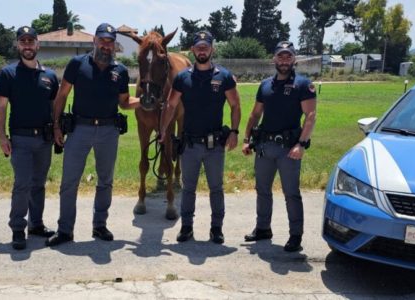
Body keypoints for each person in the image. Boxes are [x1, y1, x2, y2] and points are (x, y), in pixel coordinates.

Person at [46, 23, 140, 247]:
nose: (106, 45)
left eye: (110, 41)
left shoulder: (120, 70)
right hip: (79, 129)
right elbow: (62, 96)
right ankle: (65, 230)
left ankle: (99, 225)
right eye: (103, 40)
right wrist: (56, 125)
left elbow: (125, 103)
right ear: (94, 41)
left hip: (108, 130)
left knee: (105, 181)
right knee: (69, 182)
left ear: (114, 45)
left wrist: (145, 103)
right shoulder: (77, 64)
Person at [159, 31, 241, 244]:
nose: (202, 49)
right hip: (190, 144)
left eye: (206, 46)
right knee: (188, 188)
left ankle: (216, 228)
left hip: (215, 145)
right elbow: (170, 105)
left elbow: (235, 106)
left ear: (212, 49)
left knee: (216, 188)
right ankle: (186, 228)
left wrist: (234, 131)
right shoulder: (182, 77)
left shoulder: (224, 76)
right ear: (192, 50)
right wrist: (162, 129)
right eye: (199, 46)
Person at [242, 41, 317, 252]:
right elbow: (255, 114)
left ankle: (295, 235)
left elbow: (310, 116)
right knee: (262, 190)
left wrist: (301, 144)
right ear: (274, 59)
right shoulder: (265, 85)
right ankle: (263, 228)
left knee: (291, 193)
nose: (284, 60)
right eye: (280, 56)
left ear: (294, 59)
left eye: (288, 56)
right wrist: (247, 140)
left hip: (289, 149)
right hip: (265, 146)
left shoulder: (303, 85)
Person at [0, 26, 59, 250]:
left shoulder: (50, 76)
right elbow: (1, 107)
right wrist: (2, 136)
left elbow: (53, 106)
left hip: (44, 139)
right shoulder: (8, 73)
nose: (28, 45)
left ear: (38, 45)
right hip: (20, 139)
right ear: (18, 45)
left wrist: (57, 130)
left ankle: (36, 224)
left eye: (31, 41)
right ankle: (17, 229)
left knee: (38, 184)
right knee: (22, 184)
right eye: (23, 41)